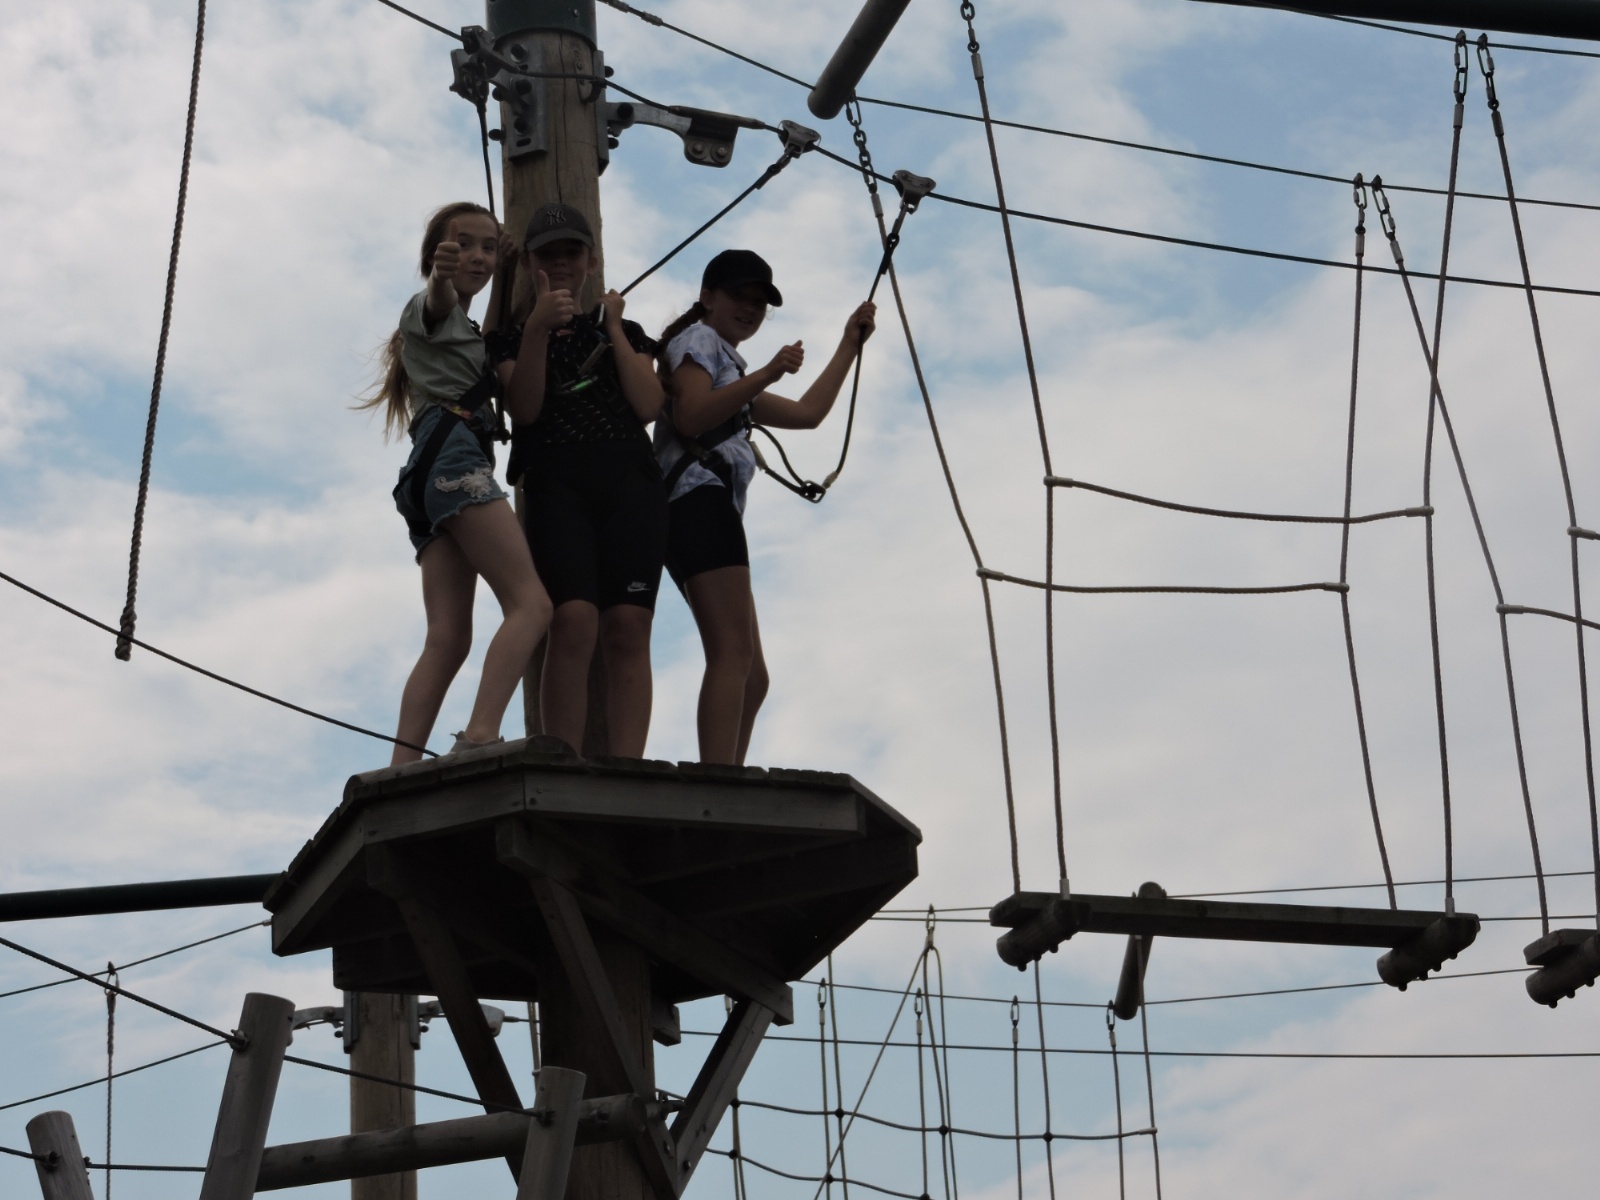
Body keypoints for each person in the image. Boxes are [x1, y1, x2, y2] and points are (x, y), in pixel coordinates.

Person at [655, 249, 875, 764]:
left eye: (759, 302)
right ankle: (718, 783)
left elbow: (809, 413)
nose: (750, 308)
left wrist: (849, 344)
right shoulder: (698, 341)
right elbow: (690, 416)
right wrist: (770, 372)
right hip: (696, 501)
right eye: (739, 296)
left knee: (753, 677)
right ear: (707, 297)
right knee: (733, 656)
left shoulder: (729, 368)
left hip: (707, 509)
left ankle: (726, 776)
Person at [360, 201, 553, 765]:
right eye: (462, 245)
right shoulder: (427, 308)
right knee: (532, 604)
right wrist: (442, 276)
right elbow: (438, 299)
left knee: (448, 639)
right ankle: (481, 733)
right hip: (455, 460)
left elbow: (484, 339)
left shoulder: (459, 332)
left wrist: (507, 273)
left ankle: (402, 766)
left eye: (488, 247)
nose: (477, 256)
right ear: (435, 256)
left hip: (427, 472)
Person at [500, 203, 667, 757]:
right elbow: (524, 409)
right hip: (556, 483)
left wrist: (613, 327)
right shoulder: (510, 338)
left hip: (630, 482)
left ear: (592, 260)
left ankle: (629, 767)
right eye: (548, 254)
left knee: (629, 627)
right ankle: (561, 762)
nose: (561, 262)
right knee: (572, 621)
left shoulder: (627, 330)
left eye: (571, 252)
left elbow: (649, 405)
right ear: (530, 264)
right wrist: (537, 329)